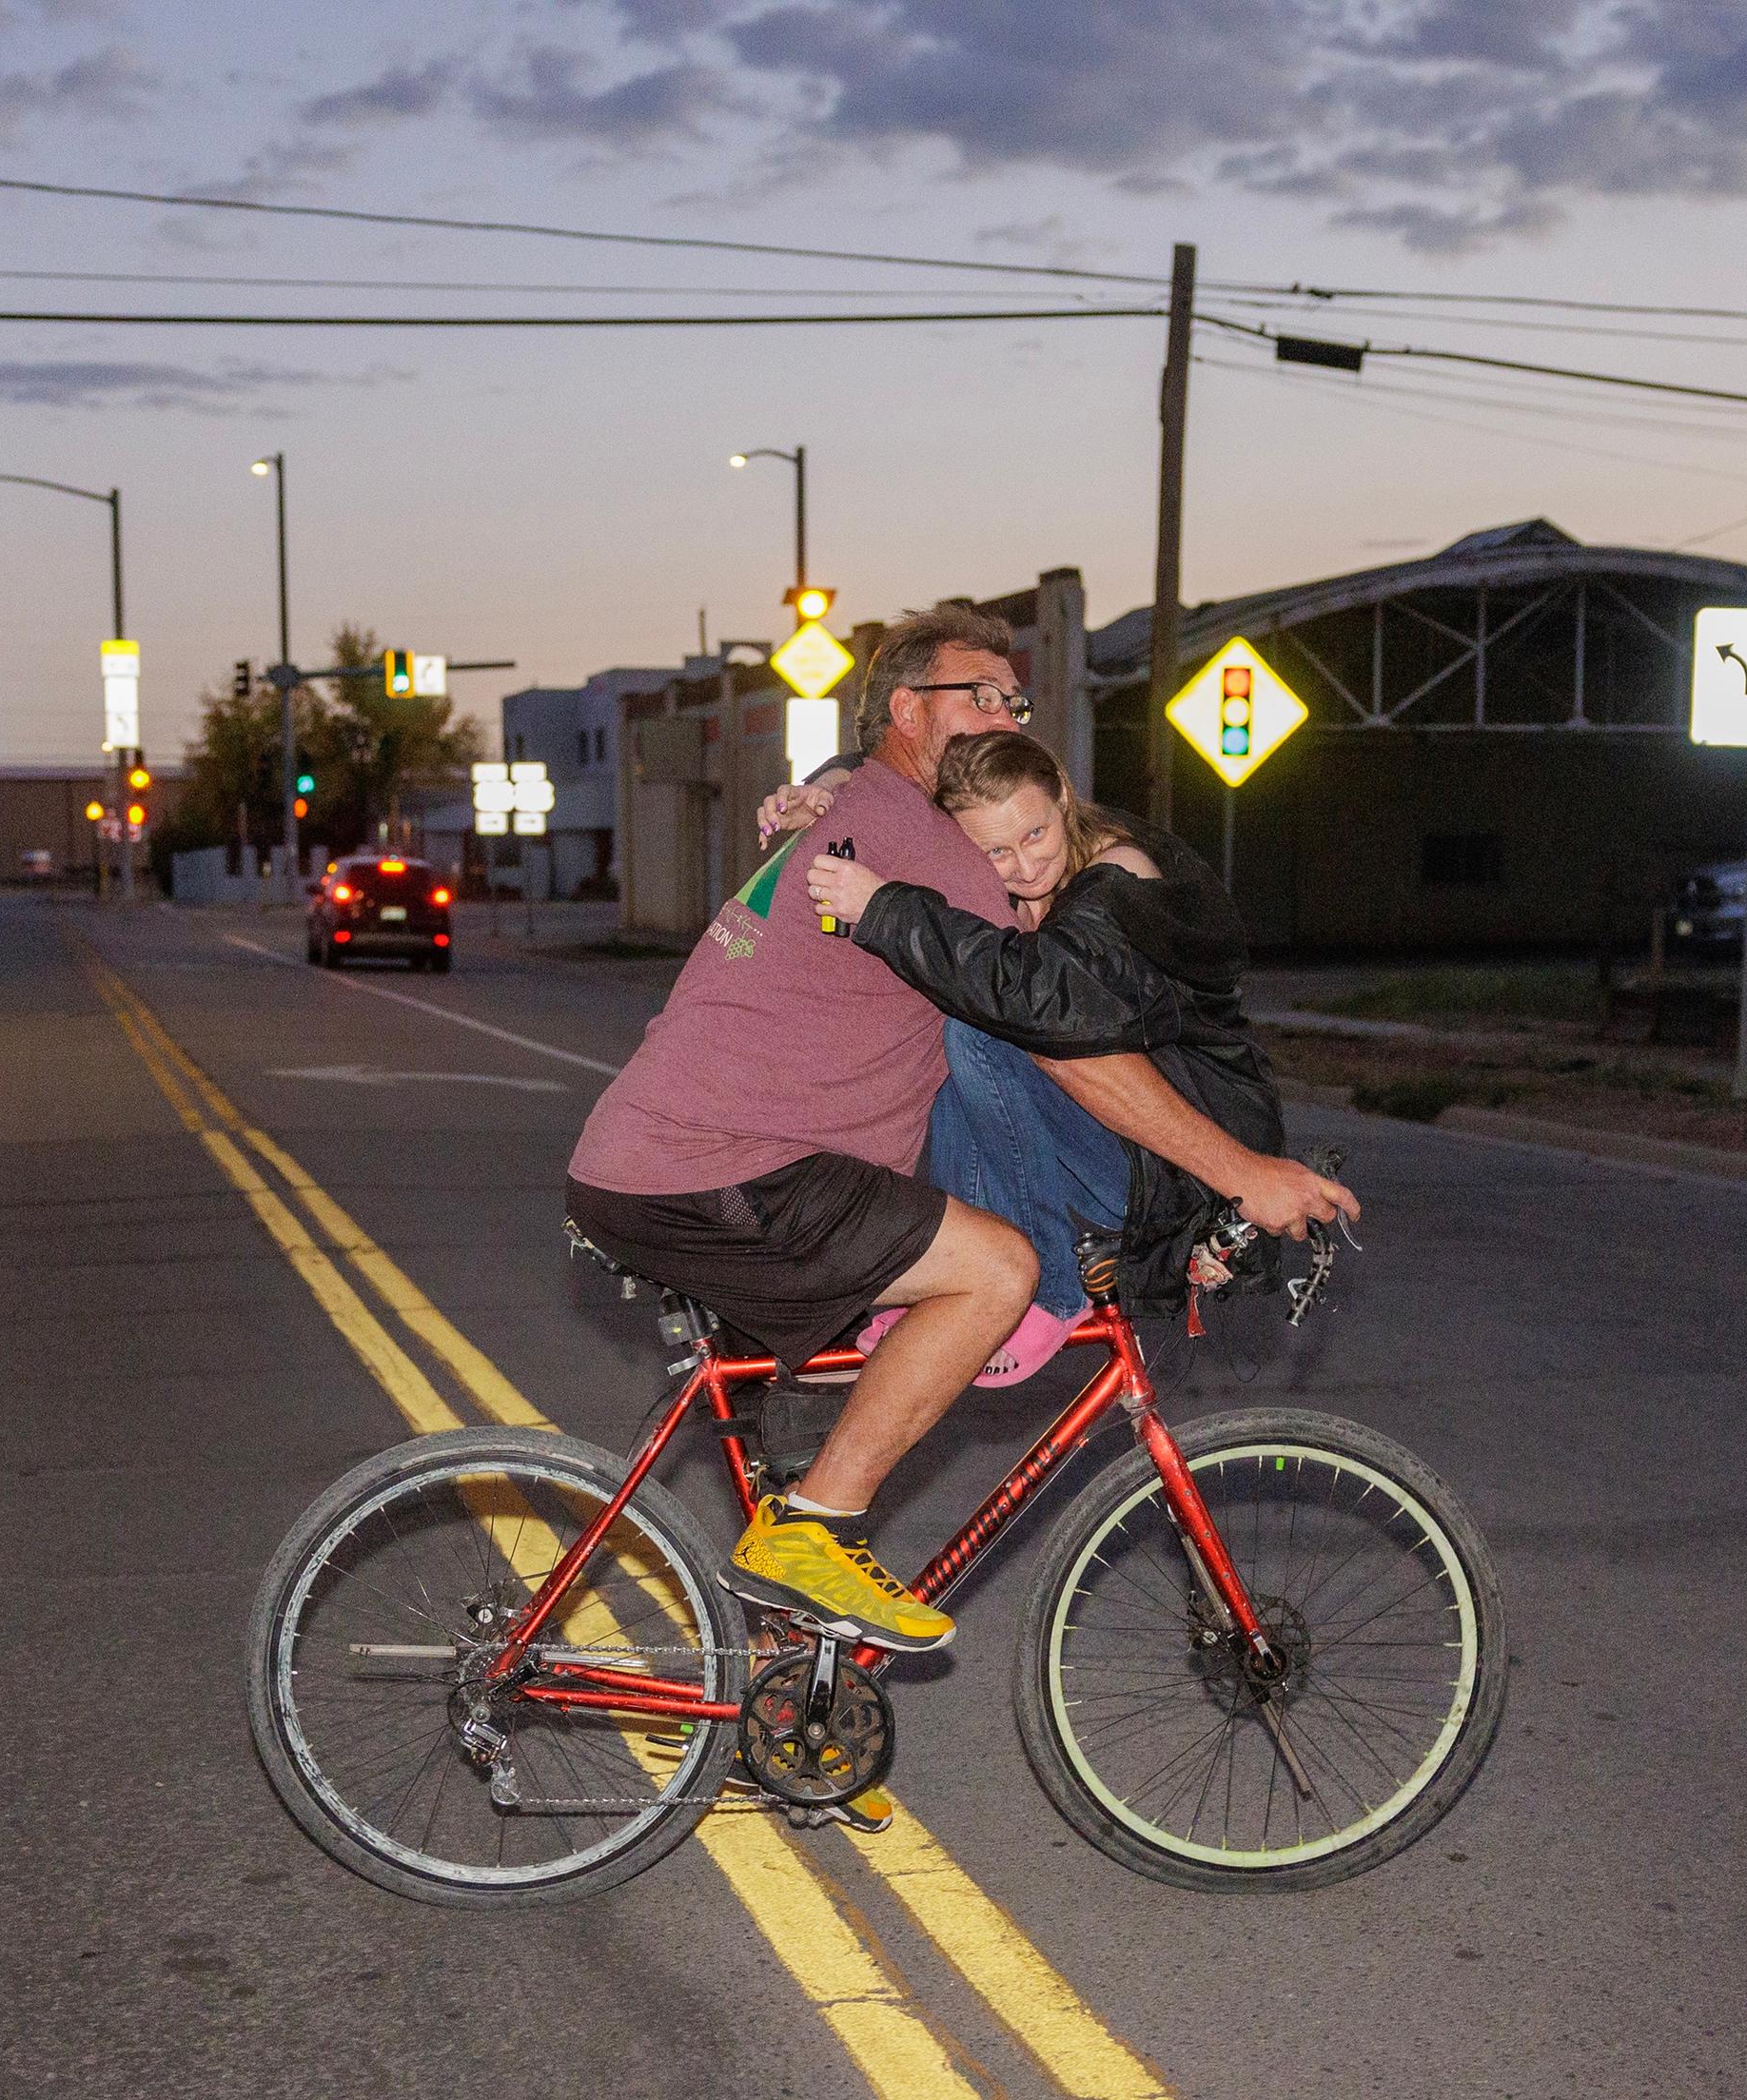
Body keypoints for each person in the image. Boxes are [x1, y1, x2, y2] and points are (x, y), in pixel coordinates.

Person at [564, 606, 1356, 1684]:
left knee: (850, 1365)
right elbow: (1063, 1044)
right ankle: (810, 1536)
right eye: (976, 695)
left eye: (1014, 701)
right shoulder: (924, 849)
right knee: (996, 1272)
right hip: (724, 1169)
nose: (1003, 712)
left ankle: (793, 1694)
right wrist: (1244, 1173)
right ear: (907, 712)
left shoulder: (873, 814)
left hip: (688, 1163)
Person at [797, 729, 1281, 1367]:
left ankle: (1050, 1290)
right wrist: (832, 784)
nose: (1025, 864)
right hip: (1108, 1145)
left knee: (980, 1028)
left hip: (1171, 1168)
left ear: (1062, 801)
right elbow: (903, 768)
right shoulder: (1005, 887)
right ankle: (951, 1278)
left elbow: (1040, 997)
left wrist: (884, 907)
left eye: (1035, 834)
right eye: (995, 850)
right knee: (955, 1029)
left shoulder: (1120, 876)